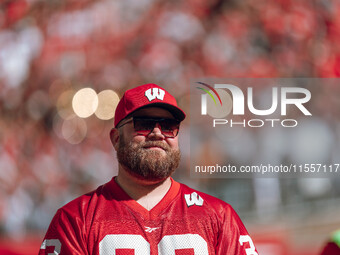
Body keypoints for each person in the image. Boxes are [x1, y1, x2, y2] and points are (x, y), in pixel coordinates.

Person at [38, 83, 258, 254]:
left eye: (168, 126)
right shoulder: (76, 219)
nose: (157, 132)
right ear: (116, 138)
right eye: (143, 123)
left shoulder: (218, 216)